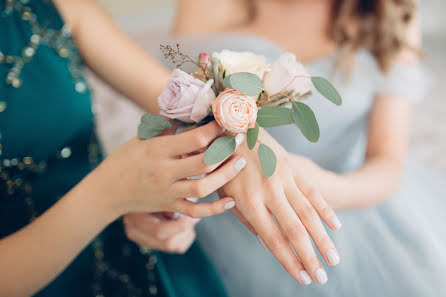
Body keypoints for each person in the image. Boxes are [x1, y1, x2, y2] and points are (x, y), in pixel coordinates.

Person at [149, 0, 444, 296]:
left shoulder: (392, 11)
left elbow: (387, 162)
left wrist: (319, 189)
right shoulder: (207, 6)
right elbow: (177, 116)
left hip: (344, 197)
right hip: (221, 206)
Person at [0, 0, 248, 296]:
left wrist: (257, 146)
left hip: (130, 252)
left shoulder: (47, 8)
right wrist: (110, 194)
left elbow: (184, 100)